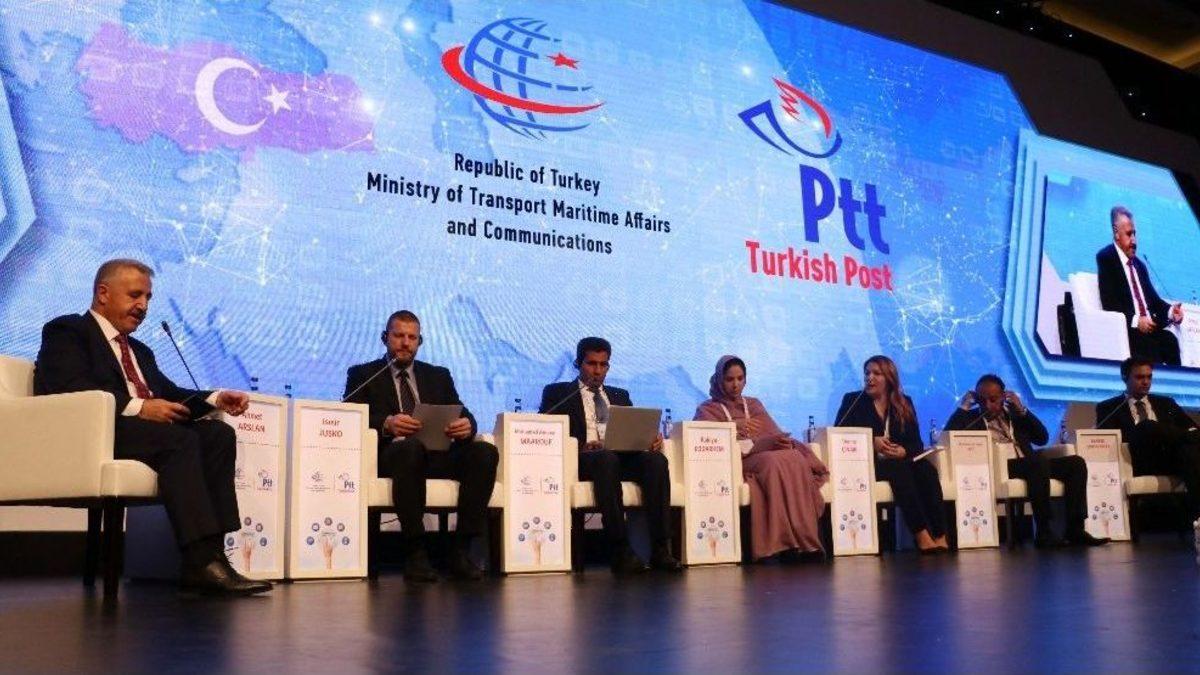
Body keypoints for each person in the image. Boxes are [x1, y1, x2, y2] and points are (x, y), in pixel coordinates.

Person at [33, 259, 270, 596]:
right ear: (103, 293)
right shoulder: (68, 331)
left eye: (147, 297)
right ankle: (200, 562)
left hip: (147, 436)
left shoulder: (140, 350)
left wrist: (216, 398)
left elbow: (169, 395)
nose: (143, 305)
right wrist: (141, 408)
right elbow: (71, 387)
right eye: (135, 295)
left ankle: (214, 555)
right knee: (179, 441)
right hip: (98, 433)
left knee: (218, 435)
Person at [344, 310, 498, 582]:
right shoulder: (364, 374)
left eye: (412, 337)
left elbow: (463, 412)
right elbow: (348, 414)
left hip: (438, 454)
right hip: (394, 455)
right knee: (410, 449)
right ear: (384, 337)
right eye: (398, 336)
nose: (405, 343)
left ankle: (461, 550)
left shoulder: (438, 375)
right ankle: (415, 552)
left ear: (420, 341)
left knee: (485, 452)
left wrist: (468, 426)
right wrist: (387, 423)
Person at [538, 337, 681, 574]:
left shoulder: (620, 395)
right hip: (585, 459)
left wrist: (649, 439)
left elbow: (631, 429)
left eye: (603, 365)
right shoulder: (558, 393)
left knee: (656, 461)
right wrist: (582, 446)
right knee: (606, 459)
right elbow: (547, 431)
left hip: (620, 456)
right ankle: (620, 549)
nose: (597, 371)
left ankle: (660, 549)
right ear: (578, 364)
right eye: (591, 364)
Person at [945, 374, 1108, 547]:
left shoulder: (1016, 416)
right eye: (981, 400)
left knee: (1075, 463)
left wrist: (1022, 410)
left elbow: (1042, 438)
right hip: (1000, 467)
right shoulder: (970, 418)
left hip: (1031, 464)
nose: (987, 405)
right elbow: (947, 439)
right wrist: (963, 407)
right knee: (1036, 462)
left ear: (1004, 397)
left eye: (992, 399)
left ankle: (1075, 529)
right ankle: (1044, 531)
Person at [694, 355, 829, 561]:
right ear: (720, 379)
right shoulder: (708, 409)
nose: (735, 384)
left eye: (740, 379)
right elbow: (705, 443)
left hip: (764, 454)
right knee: (772, 463)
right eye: (729, 379)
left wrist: (776, 441)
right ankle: (784, 545)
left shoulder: (753, 404)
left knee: (795, 457)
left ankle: (806, 542)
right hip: (736, 461)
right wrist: (733, 428)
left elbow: (772, 431)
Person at [834, 355, 948, 553]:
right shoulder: (853, 401)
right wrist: (871, 441)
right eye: (867, 373)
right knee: (899, 470)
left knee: (927, 470)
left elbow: (916, 443)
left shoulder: (904, 403)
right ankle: (921, 536)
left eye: (876, 373)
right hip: (868, 463)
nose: (869, 378)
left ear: (889, 378)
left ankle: (940, 535)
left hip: (900, 460)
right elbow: (839, 436)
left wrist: (904, 451)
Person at [1096, 356, 1200, 521]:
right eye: (1139, 377)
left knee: (1188, 450)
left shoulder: (1166, 403)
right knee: (1147, 426)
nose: (1146, 382)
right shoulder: (1109, 407)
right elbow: (1108, 439)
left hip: (1172, 458)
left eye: (1149, 377)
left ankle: (1197, 516)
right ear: (1125, 378)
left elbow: (1192, 428)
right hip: (1138, 460)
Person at [1096, 205, 1183, 366]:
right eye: (1129, 234)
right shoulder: (1106, 258)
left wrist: (1172, 312)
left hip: (1150, 329)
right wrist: (1137, 321)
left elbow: (1154, 302)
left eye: (1135, 234)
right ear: (1116, 232)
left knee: (1170, 341)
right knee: (1149, 347)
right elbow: (1109, 304)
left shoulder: (1139, 265)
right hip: (1129, 331)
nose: (1134, 241)